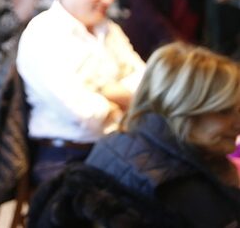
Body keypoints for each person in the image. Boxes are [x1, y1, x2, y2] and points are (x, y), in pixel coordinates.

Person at [17, 0, 145, 186]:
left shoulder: (109, 30)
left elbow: (147, 83)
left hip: (116, 149)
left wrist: (102, 90)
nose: (108, 0)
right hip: (65, 157)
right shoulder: (44, 32)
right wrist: (123, 105)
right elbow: (84, 112)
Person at [84, 43, 240, 226]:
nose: (237, 122)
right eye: (224, 111)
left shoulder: (111, 143)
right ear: (183, 110)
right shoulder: (184, 188)